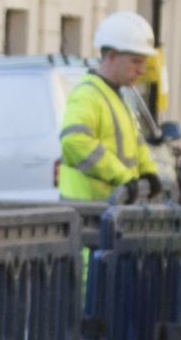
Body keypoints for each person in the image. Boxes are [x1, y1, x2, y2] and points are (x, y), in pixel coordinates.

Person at [59, 12, 169, 202]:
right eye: (135, 61)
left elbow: (136, 141)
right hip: (87, 212)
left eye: (143, 62)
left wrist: (148, 172)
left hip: (107, 210)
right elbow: (74, 139)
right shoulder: (88, 94)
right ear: (111, 56)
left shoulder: (116, 96)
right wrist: (122, 177)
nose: (142, 70)